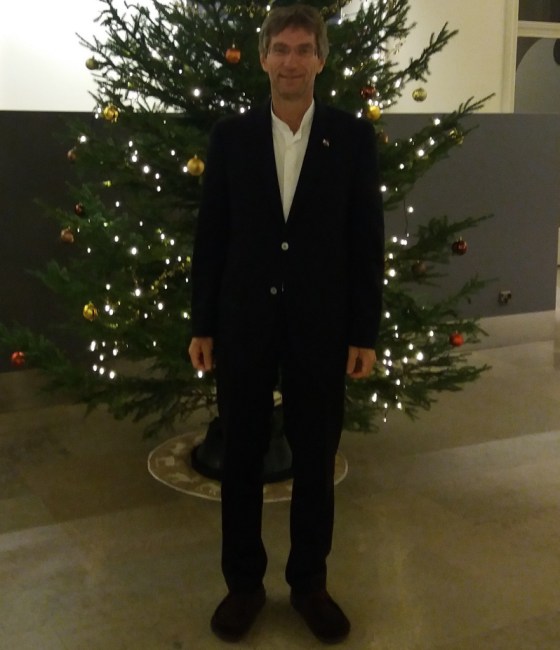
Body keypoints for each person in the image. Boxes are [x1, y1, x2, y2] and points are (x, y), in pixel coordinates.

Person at [188, 3, 384, 644]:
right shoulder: (231, 137)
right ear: (263, 58)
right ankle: (243, 585)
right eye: (281, 50)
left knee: (315, 458)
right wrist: (203, 324)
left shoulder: (352, 139)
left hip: (321, 325)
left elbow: (366, 241)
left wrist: (364, 332)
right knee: (242, 455)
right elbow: (212, 237)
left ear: (320, 59)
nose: (291, 62)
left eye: (303, 50)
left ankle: (309, 584)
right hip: (244, 322)